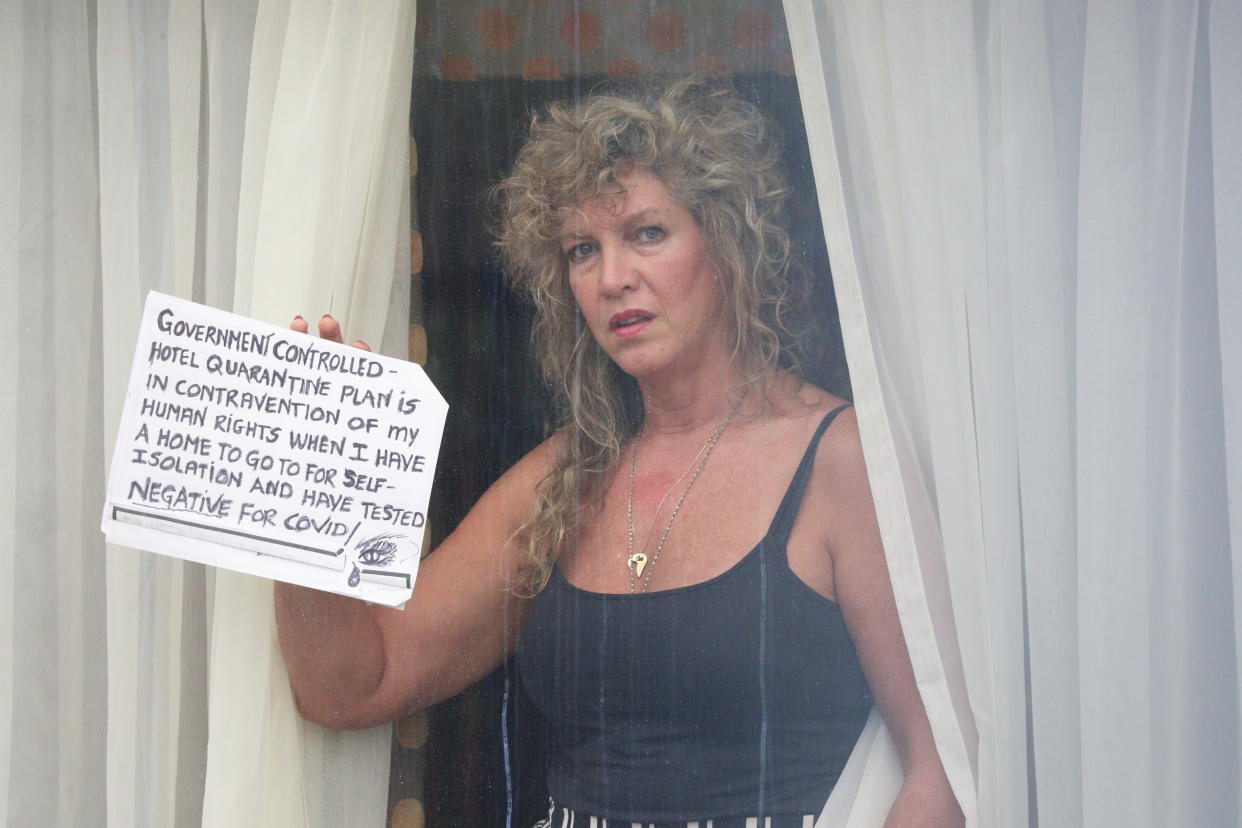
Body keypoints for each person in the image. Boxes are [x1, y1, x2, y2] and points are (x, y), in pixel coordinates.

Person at [278, 75, 962, 827]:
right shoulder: (565, 478)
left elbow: (942, 769)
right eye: (581, 250)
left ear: (729, 245)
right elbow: (351, 686)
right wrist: (309, 475)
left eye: (646, 233)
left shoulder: (842, 459)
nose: (612, 279)